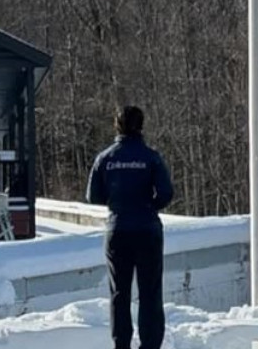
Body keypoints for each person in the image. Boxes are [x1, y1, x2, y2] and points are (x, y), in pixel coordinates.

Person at [86, 106, 175, 349]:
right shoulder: (151, 157)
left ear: (117, 126)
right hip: (147, 230)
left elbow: (93, 196)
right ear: (141, 125)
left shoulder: (105, 158)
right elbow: (166, 193)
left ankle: (121, 344)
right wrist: (149, 206)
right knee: (150, 293)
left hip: (118, 231)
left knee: (119, 293)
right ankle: (150, 344)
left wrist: (118, 203)